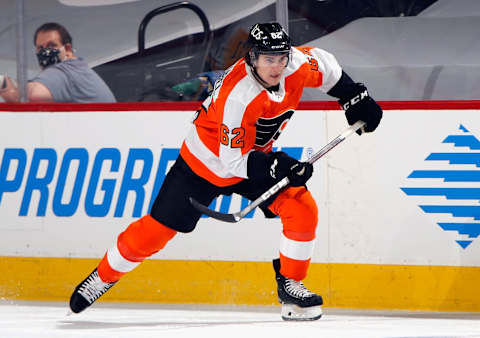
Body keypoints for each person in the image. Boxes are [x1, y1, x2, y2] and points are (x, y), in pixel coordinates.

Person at [69, 22, 382, 321]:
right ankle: (103, 276)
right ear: (252, 58)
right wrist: (278, 165)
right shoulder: (239, 97)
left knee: (302, 209)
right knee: (155, 232)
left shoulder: (294, 64)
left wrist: (353, 95)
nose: (276, 66)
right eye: (268, 59)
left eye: (281, 57)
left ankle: (290, 287)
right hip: (202, 164)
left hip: (254, 157)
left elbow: (326, 66)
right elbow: (232, 162)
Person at [0, 22, 115, 103]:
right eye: (40, 48)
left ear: (68, 50)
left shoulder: (65, 71)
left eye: (52, 45)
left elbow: (28, 96)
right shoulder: (78, 69)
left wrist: (4, 85)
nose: (45, 51)